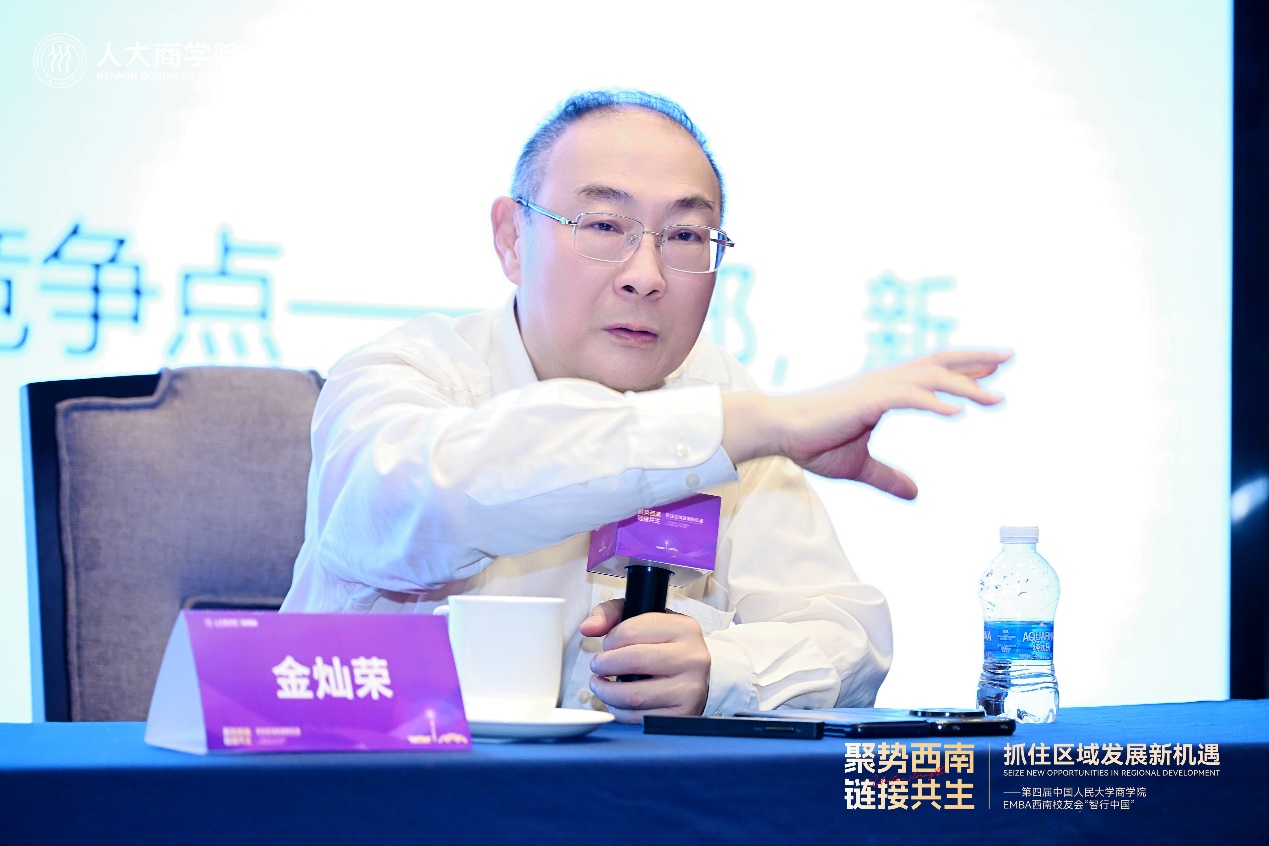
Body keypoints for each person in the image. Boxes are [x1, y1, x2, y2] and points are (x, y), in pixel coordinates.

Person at [281, 90, 1009, 722]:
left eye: (685, 236)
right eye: (603, 226)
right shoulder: (405, 374)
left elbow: (849, 634)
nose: (646, 275)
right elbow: (419, 498)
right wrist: (749, 425)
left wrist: (719, 670)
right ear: (511, 238)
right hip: (374, 793)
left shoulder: (718, 393)